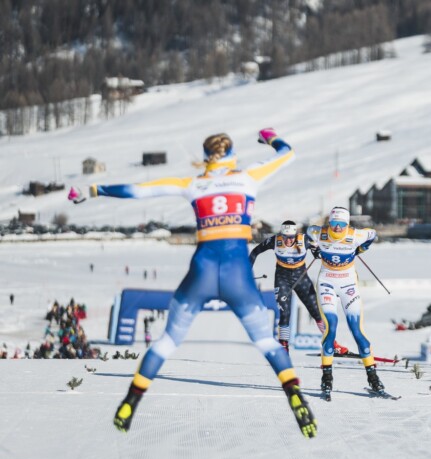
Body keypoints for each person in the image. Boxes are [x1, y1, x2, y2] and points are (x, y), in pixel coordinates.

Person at [68, 130, 317, 438]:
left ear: (206, 157)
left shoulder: (194, 184)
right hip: (238, 274)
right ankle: (295, 395)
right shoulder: (247, 178)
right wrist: (270, 137)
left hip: (202, 271)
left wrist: (92, 190)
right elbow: (287, 153)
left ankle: (131, 400)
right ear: (231, 155)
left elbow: (138, 190)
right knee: (267, 342)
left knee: (167, 341)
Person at [306, 206, 382, 398]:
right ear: (329, 222)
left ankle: (373, 378)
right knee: (331, 328)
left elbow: (372, 234)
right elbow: (309, 232)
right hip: (327, 283)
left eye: (341, 224)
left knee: (357, 331)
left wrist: (360, 249)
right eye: (334, 223)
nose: (338, 227)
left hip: (348, 284)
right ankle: (327, 378)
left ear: (347, 224)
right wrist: (314, 248)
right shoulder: (320, 233)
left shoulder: (355, 235)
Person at [249, 221, 349, 354]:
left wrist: (318, 252)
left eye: (291, 237)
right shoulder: (275, 240)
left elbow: (321, 250)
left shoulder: (304, 240)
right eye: (285, 237)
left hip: (301, 278)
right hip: (282, 279)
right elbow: (255, 251)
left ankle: (332, 344)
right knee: (284, 313)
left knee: (316, 312)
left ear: (295, 235)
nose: (288, 240)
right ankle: (283, 348)